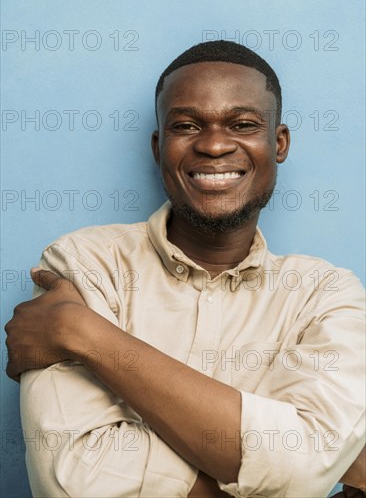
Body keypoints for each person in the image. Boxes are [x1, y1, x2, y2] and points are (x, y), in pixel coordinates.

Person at [5, 40, 365, 498]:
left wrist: (85, 334)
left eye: (243, 124)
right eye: (187, 125)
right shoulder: (84, 264)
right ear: (159, 146)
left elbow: (299, 464)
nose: (214, 145)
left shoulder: (327, 294)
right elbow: (76, 481)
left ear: (278, 143)